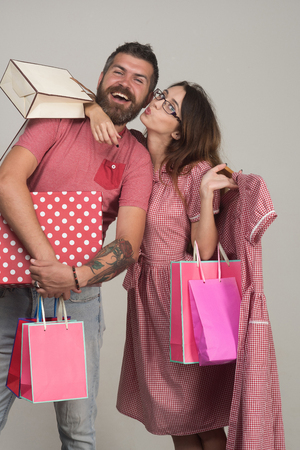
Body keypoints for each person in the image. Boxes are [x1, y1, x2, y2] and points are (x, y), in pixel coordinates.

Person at [33, 82, 238, 449]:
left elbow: (205, 251)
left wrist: (206, 195)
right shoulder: (135, 154)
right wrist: (93, 109)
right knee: (173, 417)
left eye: (169, 105)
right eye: (161, 95)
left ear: (180, 129)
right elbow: (67, 88)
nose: (157, 102)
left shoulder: (194, 171)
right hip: (146, 300)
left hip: (182, 301)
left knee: (200, 418)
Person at [0, 42, 159, 449]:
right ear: (101, 78)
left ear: (145, 98)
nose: (126, 83)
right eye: (118, 72)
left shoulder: (136, 158)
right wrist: (48, 262)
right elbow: (6, 182)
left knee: (77, 432)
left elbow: (127, 245)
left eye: (139, 79)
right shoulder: (55, 120)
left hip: (78, 297)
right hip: (12, 288)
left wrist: (70, 277)